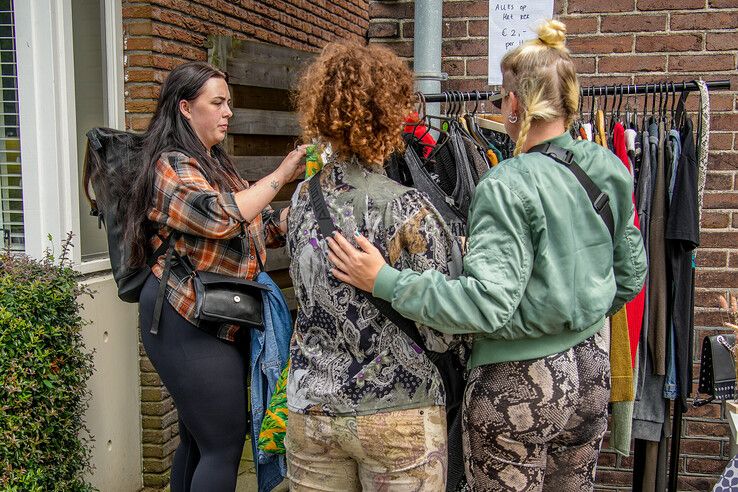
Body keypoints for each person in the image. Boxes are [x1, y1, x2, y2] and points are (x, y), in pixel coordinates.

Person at [327, 20, 647, 491]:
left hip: (522, 383)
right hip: (592, 370)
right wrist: (575, 312)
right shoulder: (606, 167)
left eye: (502, 97)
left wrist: (385, 281)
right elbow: (631, 273)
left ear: (516, 104)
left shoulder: (507, 183)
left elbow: (484, 306)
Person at [284, 41, 468, 491]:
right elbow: (442, 328)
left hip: (312, 412)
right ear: (390, 113)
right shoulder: (407, 208)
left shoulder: (302, 201)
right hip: (397, 412)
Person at [127, 61, 306, 491]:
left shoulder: (214, 163)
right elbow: (221, 218)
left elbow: (258, 226)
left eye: (230, 103)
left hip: (209, 314)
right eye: (218, 102)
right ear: (186, 108)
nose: (229, 112)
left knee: (198, 440)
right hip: (179, 312)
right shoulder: (169, 166)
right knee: (223, 442)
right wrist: (283, 174)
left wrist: (312, 205)